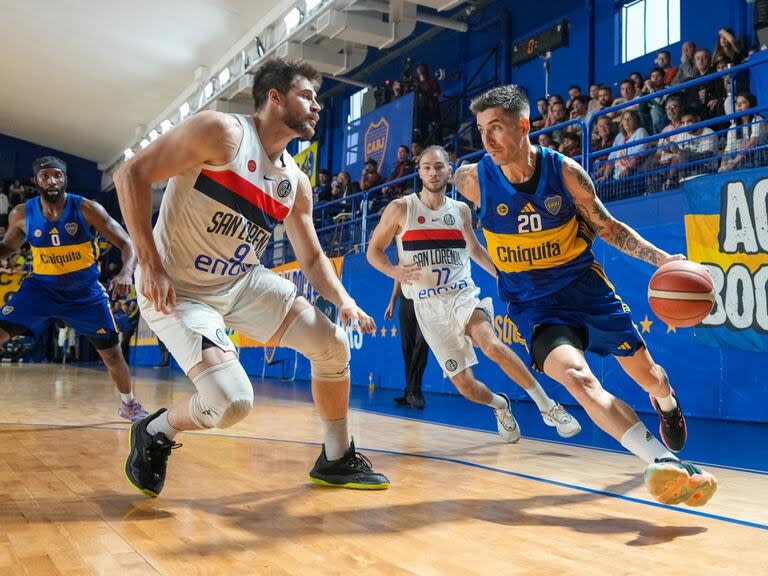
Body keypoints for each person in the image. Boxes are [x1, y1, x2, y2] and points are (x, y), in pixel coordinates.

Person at [114, 58, 388, 497]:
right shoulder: (221, 133)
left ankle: (336, 458)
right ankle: (155, 430)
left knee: (332, 344)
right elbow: (130, 173)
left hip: (242, 283)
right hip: (179, 291)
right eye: (307, 95)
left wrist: (344, 301)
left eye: (318, 99)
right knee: (230, 402)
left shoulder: (295, 182)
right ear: (275, 97)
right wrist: (149, 264)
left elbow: (313, 258)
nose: (317, 106)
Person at [454, 84, 718, 507]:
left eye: (497, 128)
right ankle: (667, 463)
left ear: (524, 126)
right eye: (481, 129)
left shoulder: (566, 174)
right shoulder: (471, 180)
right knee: (577, 379)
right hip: (535, 309)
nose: (486, 140)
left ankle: (667, 403)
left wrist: (664, 260)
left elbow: (609, 228)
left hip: (586, 292)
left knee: (651, 377)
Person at [367, 145, 581, 442]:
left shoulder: (461, 210)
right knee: (466, 386)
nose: (433, 172)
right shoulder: (401, 209)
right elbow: (373, 252)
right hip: (428, 308)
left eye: (439, 167)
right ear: (419, 171)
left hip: (462, 295)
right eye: (427, 167)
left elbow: (475, 250)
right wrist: (393, 271)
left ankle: (548, 406)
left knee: (491, 345)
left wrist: (506, 277)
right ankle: (500, 405)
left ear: (449, 171)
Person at [0, 156, 148, 422]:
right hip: (40, 290)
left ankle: (129, 405)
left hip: (84, 294)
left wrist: (126, 273)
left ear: (65, 179)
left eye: (57, 175)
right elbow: (8, 248)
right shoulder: (21, 214)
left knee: (112, 354)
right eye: (45, 176)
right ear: (36, 180)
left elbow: (128, 244)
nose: (52, 180)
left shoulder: (88, 209)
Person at [385, 279, 428, 409]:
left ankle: (415, 391)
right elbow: (398, 275)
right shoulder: (401, 257)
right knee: (407, 347)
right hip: (406, 301)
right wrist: (393, 299)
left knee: (421, 345)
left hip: (426, 299)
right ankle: (409, 391)